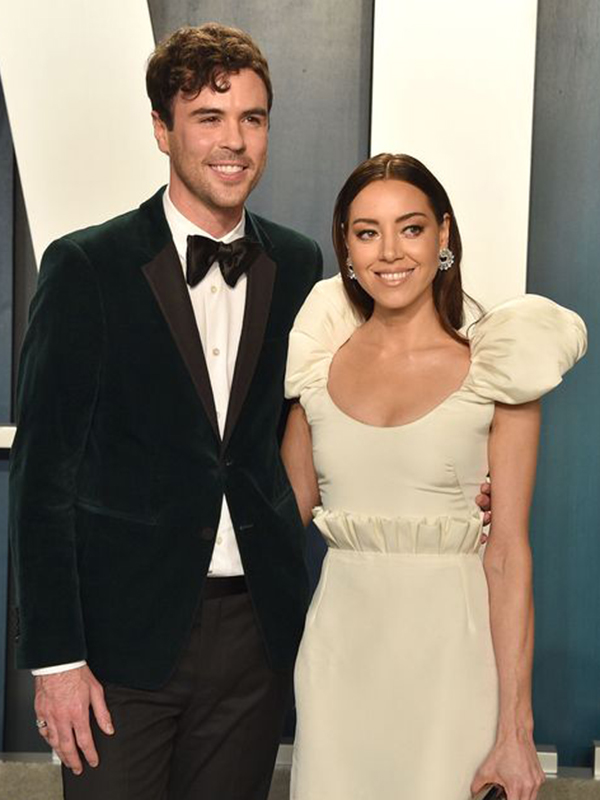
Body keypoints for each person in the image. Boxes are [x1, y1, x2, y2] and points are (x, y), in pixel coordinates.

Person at [9, 23, 324, 800]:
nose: (234, 141)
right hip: (120, 645)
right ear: (162, 129)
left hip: (254, 633)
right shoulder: (87, 266)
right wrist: (57, 660)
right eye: (208, 117)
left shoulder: (298, 264)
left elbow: (313, 424)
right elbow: (44, 478)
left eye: (252, 118)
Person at [282, 153, 587, 800]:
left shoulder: (499, 368)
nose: (390, 252)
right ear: (346, 246)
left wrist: (516, 729)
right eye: (368, 232)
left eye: (411, 228)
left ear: (443, 234)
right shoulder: (316, 365)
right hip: (338, 665)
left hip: (457, 665)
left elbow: (508, 555)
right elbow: (276, 521)